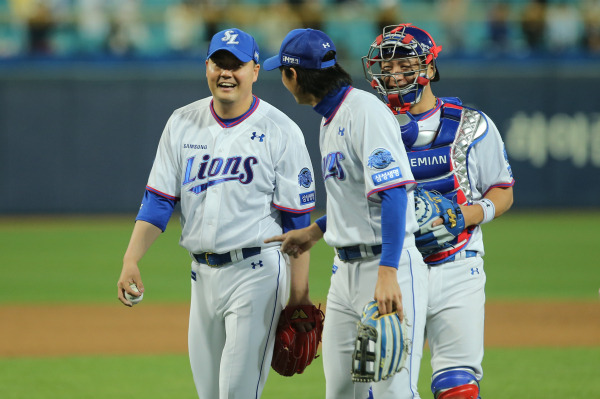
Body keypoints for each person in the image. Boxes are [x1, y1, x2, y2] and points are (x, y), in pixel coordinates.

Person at [116, 28, 317, 399]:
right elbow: (159, 200)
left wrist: (299, 297)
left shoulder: (281, 131)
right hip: (201, 278)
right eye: (219, 63)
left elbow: (297, 222)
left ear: (255, 70)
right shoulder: (182, 122)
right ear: (206, 66)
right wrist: (131, 259)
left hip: (256, 274)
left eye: (236, 65)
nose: (227, 73)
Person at [263, 28, 428, 399]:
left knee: (392, 392)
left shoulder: (364, 112)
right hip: (345, 275)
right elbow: (355, 200)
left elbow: (394, 195)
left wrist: (387, 273)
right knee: (341, 391)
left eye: (282, 73)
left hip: (386, 267)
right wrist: (315, 232)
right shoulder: (330, 118)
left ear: (292, 76)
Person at [362, 24, 515, 399]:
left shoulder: (471, 123)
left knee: (458, 385)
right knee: (382, 385)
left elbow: (503, 190)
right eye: (387, 66)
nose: (394, 73)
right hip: (391, 270)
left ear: (429, 69)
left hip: (458, 262)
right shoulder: (367, 123)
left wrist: (467, 215)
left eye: (404, 64)